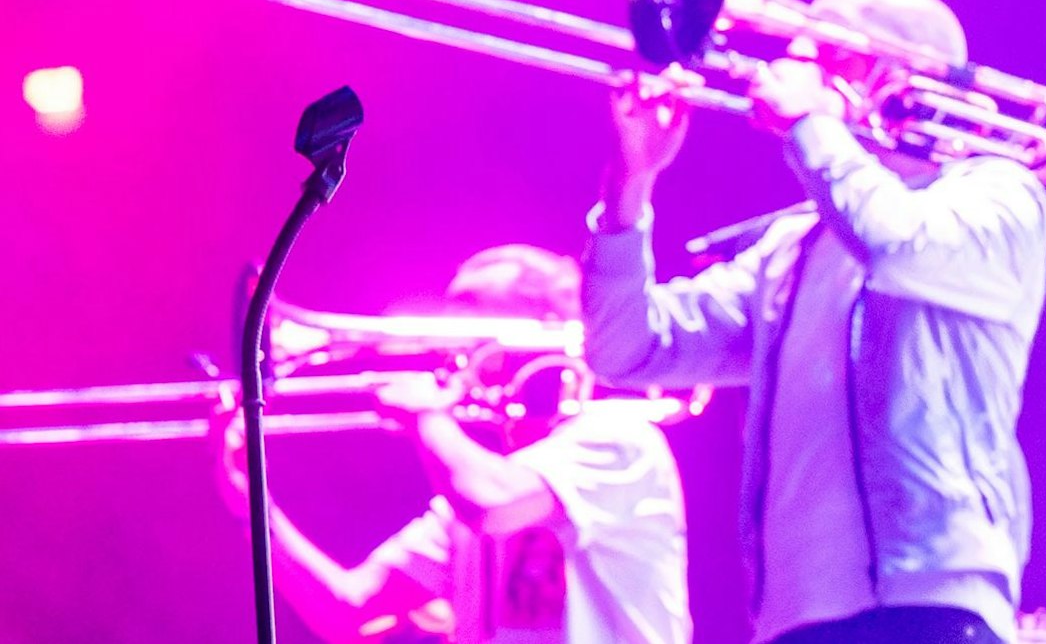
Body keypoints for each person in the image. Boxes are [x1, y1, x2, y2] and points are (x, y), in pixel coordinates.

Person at [580, 0, 1046, 644]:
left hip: (931, 596)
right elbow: (628, 349)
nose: (791, 69)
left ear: (900, 73)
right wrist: (632, 179)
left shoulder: (999, 193)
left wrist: (812, 124)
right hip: (790, 617)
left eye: (833, 55)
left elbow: (895, 245)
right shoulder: (792, 244)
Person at [213, 245, 691, 644]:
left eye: (473, 314)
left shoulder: (620, 439)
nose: (452, 351)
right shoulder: (470, 494)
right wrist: (250, 501)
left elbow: (492, 502)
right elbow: (351, 612)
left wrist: (427, 415)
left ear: (544, 327)